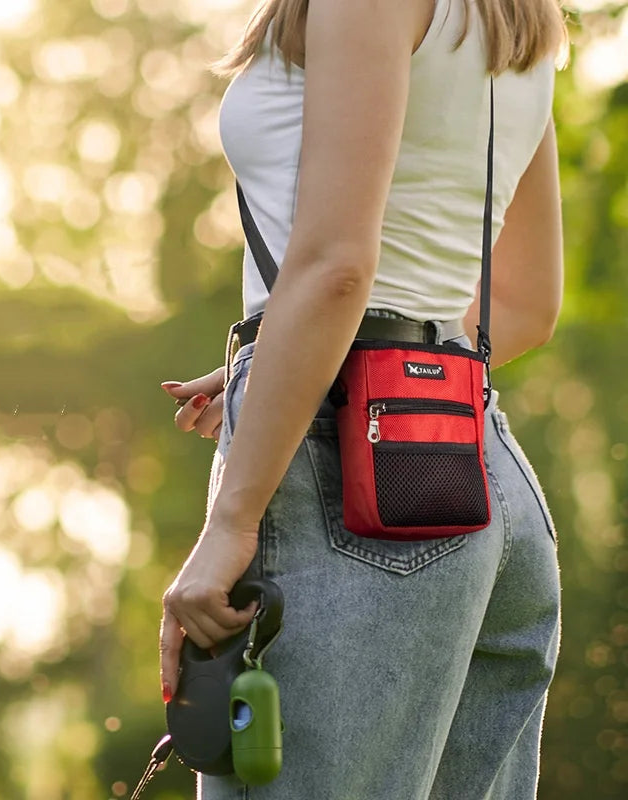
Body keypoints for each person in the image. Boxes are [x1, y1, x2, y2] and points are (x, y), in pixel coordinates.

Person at [158, 0, 566, 797]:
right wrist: (285, 360)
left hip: (355, 490)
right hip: (480, 469)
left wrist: (230, 522)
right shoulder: (522, 17)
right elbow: (526, 305)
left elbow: (341, 267)